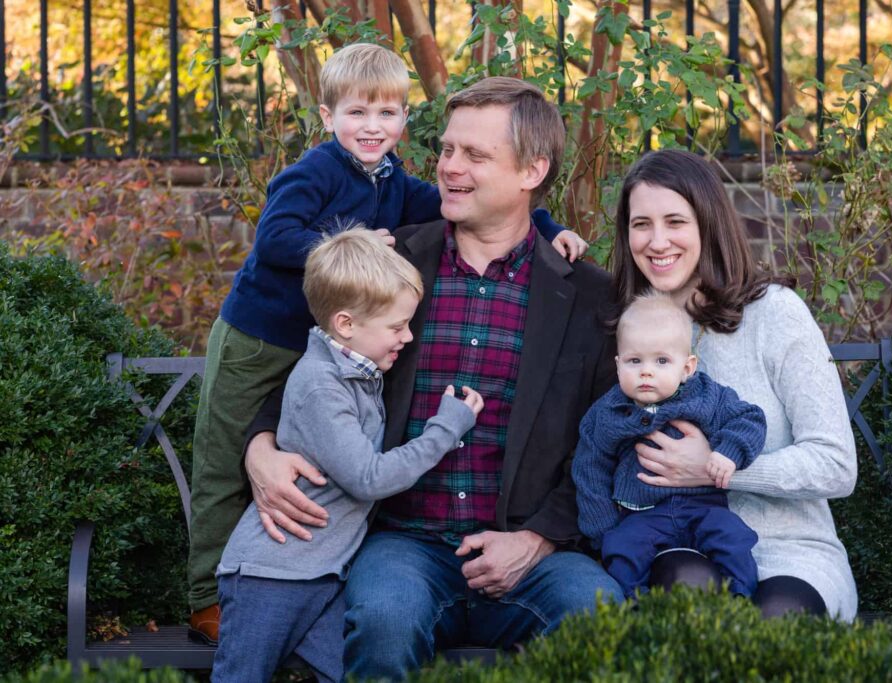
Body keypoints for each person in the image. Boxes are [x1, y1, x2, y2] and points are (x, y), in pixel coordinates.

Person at [187, 44, 587, 641]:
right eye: (448, 149)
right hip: (270, 349)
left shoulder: (583, 294)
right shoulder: (386, 261)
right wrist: (260, 444)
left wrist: (550, 227)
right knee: (377, 615)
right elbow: (318, 362)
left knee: (597, 613)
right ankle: (209, 595)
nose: (450, 166)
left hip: (525, 548)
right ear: (327, 117)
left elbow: (606, 439)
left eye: (474, 154)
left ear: (532, 173)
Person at [212, 229, 483, 682]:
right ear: (346, 324)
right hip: (270, 576)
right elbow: (368, 478)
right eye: (397, 327)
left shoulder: (359, 373)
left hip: (323, 577)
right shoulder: (321, 385)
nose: (407, 336)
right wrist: (446, 427)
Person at [609, 148, 858, 620]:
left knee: (776, 615)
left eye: (675, 221)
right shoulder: (629, 332)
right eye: (641, 224)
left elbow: (836, 464)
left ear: (708, 223)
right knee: (688, 590)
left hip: (792, 551)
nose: (657, 241)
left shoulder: (775, 314)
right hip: (676, 543)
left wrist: (716, 469)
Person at [572, 291, 766, 598]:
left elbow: (749, 419)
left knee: (733, 538)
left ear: (687, 368)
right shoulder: (608, 412)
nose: (646, 371)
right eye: (634, 361)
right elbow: (590, 467)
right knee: (621, 550)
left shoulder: (707, 396)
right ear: (619, 363)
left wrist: (728, 454)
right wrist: (603, 527)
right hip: (641, 514)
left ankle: (741, 600)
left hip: (704, 507)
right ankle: (635, 613)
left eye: (662, 361)